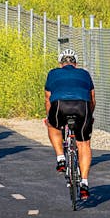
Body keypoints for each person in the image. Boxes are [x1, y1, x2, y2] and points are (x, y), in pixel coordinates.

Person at [44, 49, 95, 200]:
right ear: (76, 63)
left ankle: (60, 158)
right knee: (84, 143)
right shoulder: (84, 74)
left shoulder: (53, 73)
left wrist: (49, 117)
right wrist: (89, 116)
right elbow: (92, 97)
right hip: (82, 107)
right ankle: (84, 182)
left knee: (52, 125)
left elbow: (48, 99)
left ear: (61, 64)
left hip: (60, 105)